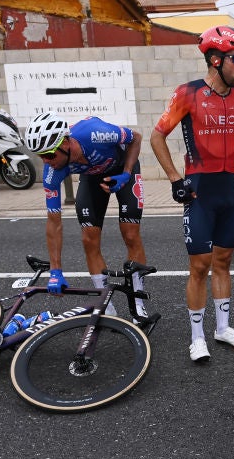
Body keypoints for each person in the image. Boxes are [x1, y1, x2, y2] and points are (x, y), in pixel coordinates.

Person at [151, 25, 234, 362]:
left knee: (224, 261)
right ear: (215, 60)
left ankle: (223, 328)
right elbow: (157, 136)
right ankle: (197, 336)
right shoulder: (189, 93)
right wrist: (174, 179)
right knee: (199, 266)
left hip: (228, 189)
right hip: (199, 191)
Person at [24, 112, 148, 317]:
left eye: (50, 155)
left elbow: (136, 138)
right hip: (92, 177)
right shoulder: (52, 173)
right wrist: (56, 271)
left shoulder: (96, 134)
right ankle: (106, 306)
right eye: (41, 157)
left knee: (130, 233)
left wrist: (126, 174)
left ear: (66, 143)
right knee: (88, 238)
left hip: (124, 167)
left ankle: (138, 301)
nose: (46, 162)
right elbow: (54, 222)